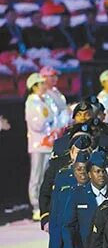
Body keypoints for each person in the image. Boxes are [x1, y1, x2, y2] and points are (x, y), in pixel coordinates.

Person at [25, 73, 55, 220]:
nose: (44, 85)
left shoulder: (46, 100)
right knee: (36, 176)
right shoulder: (32, 101)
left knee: (46, 176)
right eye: (41, 83)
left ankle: (46, 204)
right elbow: (37, 124)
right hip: (38, 145)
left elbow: (53, 118)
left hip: (49, 144)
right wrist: (49, 121)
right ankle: (36, 206)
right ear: (35, 86)